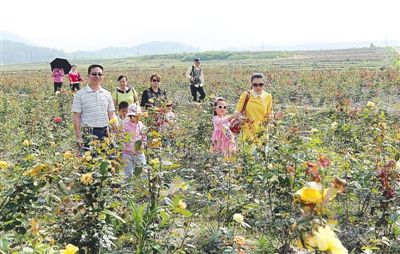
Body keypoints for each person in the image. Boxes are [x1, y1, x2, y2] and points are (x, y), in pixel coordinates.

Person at [71, 64, 116, 151]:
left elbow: (111, 114)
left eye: (100, 74)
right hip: (89, 133)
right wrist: (78, 136)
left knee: (108, 161)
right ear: (88, 76)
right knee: (90, 161)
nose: (97, 76)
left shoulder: (107, 94)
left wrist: (116, 132)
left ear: (103, 76)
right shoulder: (80, 94)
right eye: (94, 74)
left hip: (106, 132)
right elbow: (76, 116)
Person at [234, 72, 283, 142]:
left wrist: (275, 116)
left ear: (264, 84)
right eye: (255, 85)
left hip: (262, 133)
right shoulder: (245, 95)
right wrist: (240, 117)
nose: (258, 87)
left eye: (261, 84)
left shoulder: (268, 96)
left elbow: (269, 115)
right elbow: (237, 112)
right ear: (251, 84)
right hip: (247, 133)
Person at [122, 104, 147, 178]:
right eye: (133, 116)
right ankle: (128, 187)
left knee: (142, 170)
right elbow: (123, 138)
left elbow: (144, 136)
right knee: (128, 172)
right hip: (127, 152)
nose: (135, 118)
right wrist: (129, 148)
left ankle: (142, 186)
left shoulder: (141, 125)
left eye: (137, 116)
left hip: (139, 152)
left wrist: (143, 145)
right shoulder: (125, 125)